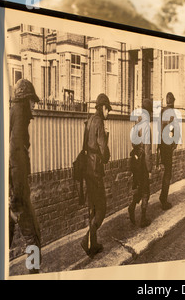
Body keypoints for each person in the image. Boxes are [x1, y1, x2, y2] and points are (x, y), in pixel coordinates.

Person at [9, 79, 42, 274]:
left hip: (11, 191)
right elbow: (16, 160)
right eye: (32, 100)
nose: (34, 105)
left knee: (6, 237)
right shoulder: (20, 116)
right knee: (33, 237)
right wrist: (16, 202)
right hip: (18, 194)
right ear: (25, 99)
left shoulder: (12, 114)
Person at [81, 93, 111, 257]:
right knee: (102, 208)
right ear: (104, 108)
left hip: (87, 168)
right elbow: (103, 151)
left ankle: (93, 244)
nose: (108, 114)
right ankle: (87, 240)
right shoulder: (99, 122)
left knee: (92, 207)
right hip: (95, 169)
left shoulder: (90, 120)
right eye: (108, 110)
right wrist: (106, 137)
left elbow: (85, 144)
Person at [128, 99, 153, 228]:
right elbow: (148, 150)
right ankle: (142, 218)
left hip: (135, 161)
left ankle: (132, 207)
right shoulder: (146, 126)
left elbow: (132, 142)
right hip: (143, 163)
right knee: (146, 190)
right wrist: (149, 169)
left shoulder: (136, 123)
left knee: (140, 186)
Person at [158, 92, 178, 210]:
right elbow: (170, 129)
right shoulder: (171, 112)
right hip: (167, 146)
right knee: (168, 173)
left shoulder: (161, 111)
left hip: (161, 145)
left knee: (166, 171)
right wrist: (173, 142)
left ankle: (163, 197)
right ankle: (163, 199)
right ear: (173, 101)